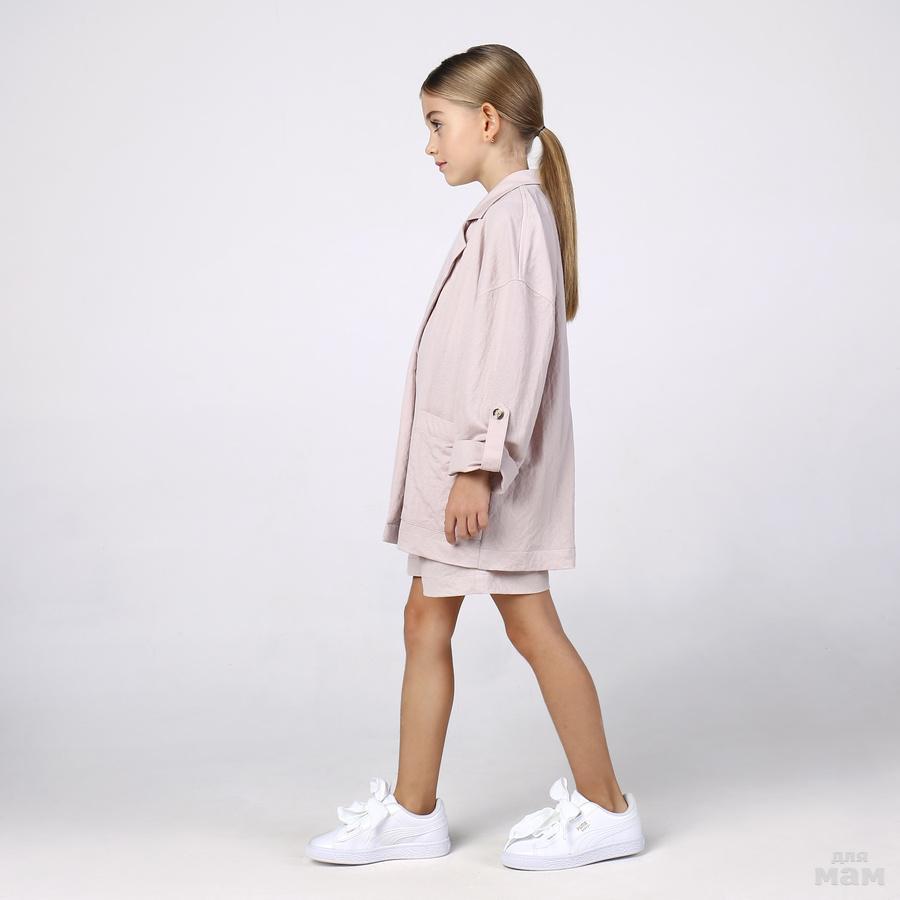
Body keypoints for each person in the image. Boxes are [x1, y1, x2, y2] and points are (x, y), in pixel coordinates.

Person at [306, 43, 645, 871]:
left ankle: (607, 808)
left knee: (531, 626)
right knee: (425, 618)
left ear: (487, 120)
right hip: (460, 472)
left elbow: (512, 355)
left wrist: (478, 467)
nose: (429, 144)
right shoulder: (500, 217)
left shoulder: (515, 218)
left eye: (437, 124)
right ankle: (412, 811)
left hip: (483, 477)